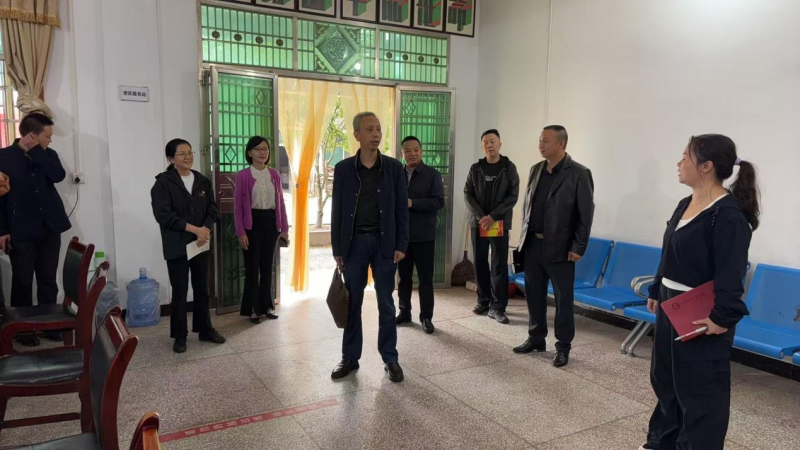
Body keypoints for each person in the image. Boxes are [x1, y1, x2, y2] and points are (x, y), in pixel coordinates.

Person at [640, 134, 757, 450]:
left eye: (685, 156)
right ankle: (664, 441)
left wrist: (722, 318)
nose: (679, 163)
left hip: (701, 312)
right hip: (671, 304)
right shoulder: (685, 204)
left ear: (706, 167)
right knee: (666, 378)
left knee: (700, 390)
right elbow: (670, 251)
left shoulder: (728, 215)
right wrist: (657, 288)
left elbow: (731, 272)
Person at [330, 112, 409, 383]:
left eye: (378, 129)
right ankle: (350, 358)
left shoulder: (394, 168)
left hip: (385, 243)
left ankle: (390, 358)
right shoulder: (343, 169)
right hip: (354, 245)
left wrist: (401, 244)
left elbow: (401, 210)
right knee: (353, 303)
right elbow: (338, 210)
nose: (376, 135)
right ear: (357, 135)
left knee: (386, 303)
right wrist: (337, 249)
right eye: (369, 130)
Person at [514, 125, 594, 368]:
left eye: (545, 141)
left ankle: (563, 346)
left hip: (561, 247)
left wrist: (578, 246)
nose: (541, 145)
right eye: (540, 140)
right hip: (532, 244)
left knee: (563, 298)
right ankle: (536, 338)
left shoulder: (579, 173)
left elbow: (585, 214)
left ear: (561, 144)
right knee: (534, 294)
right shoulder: (536, 169)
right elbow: (528, 207)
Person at [0, 112, 71, 347]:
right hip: (20, 230)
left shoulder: (48, 155)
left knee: (48, 279)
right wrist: (2, 230)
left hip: (49, 227)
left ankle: (49, 325)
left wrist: (36, 151)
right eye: (47, 136)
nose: (50, 140)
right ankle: (23, 330)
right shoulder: (4, 157)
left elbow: (58, 176)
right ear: (32, 134)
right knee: (22, 281)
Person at [151, 138, 226, 354]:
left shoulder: (202, 181)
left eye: (190, 152)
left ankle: (205, 329)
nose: (188, 157)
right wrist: (196, 230)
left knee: (202, 288)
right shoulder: (163, 183)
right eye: (182, 153)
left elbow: (213, 209)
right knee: (180, 290)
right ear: (170, 158)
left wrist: (205, 229)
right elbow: (164, 216)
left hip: (200, 243)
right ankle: (180, 335)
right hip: (177, 245)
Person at [464, 129, 519, 324]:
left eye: (493, 141)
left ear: (500, 144)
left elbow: (513, 196)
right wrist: (481, 217)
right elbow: (467, 194)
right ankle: (483, 301)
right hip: (478, 223)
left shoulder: (509, 168)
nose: (489, 145)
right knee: (479, 262)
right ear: (482, 146)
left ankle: (498, 307)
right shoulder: (475, 168)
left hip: (499, 223)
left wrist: (493, 216)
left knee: (498, 264)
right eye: (485, 142)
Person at [234, 136, 289, 324]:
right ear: (249, 152)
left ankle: (266, 306)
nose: (262, 152)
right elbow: (238, 207)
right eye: (257, 149)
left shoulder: (274, 174)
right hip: (252, 224)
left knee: (267, 267)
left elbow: (280, 202)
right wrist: (241, 232)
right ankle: (253, 309)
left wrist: (284, 228)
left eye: (265, 149)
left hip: (271, 223)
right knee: (252, 268)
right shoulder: (243, 175)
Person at [395, 136, 444, 334]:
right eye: (408, 151)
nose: (412, 154)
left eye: (416, 150)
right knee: (404, 278)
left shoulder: (432, 174)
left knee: (425, 279)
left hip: (424, 237)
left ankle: (426, 317)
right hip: (402, 238)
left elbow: (439, 201)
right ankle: (404, 312)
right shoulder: (397, 174)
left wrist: (413, 203)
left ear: (421, 151)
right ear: (402, 154)